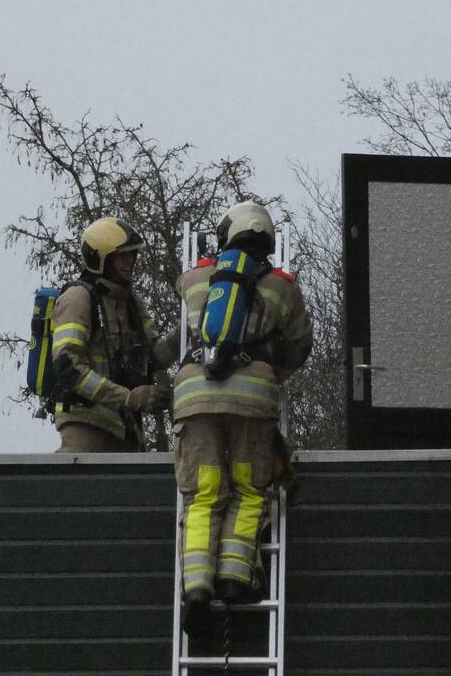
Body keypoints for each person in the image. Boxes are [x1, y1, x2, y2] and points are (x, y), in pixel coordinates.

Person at [172, 201, 313, 637]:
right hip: (253, 398)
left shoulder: (195, 279)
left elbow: (184, 313)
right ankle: (234, 577)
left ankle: (196, 586)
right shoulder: (282, 287)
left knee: (204, 492)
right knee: (250, 489)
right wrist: (271, 369)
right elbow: (300, 346)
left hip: (196, 396)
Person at [50, 217, 175, 452]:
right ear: (100, 259)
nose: (130, 261)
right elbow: (69, 367)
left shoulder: (132, 303)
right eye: (121, 256)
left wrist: (185, 331)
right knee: (79, 486)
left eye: (132, 255)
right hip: (85, 424)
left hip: (125, 428)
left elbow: (154, 356)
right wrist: (128, 398)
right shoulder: (78, 298)